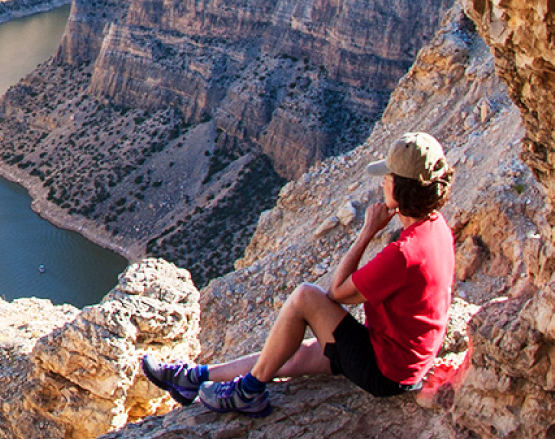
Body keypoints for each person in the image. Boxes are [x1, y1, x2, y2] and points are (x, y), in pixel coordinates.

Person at [139, 132, 457, 418]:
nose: (382, 182)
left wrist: (367, 232)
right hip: (399, 357)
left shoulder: (404, 253)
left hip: (387, 371)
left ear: (400, 189)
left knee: (306, 297)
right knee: (287, 355)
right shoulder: (435, 227)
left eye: (387, 177)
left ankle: (248, 392)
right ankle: (192, 378)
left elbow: (335, 293)